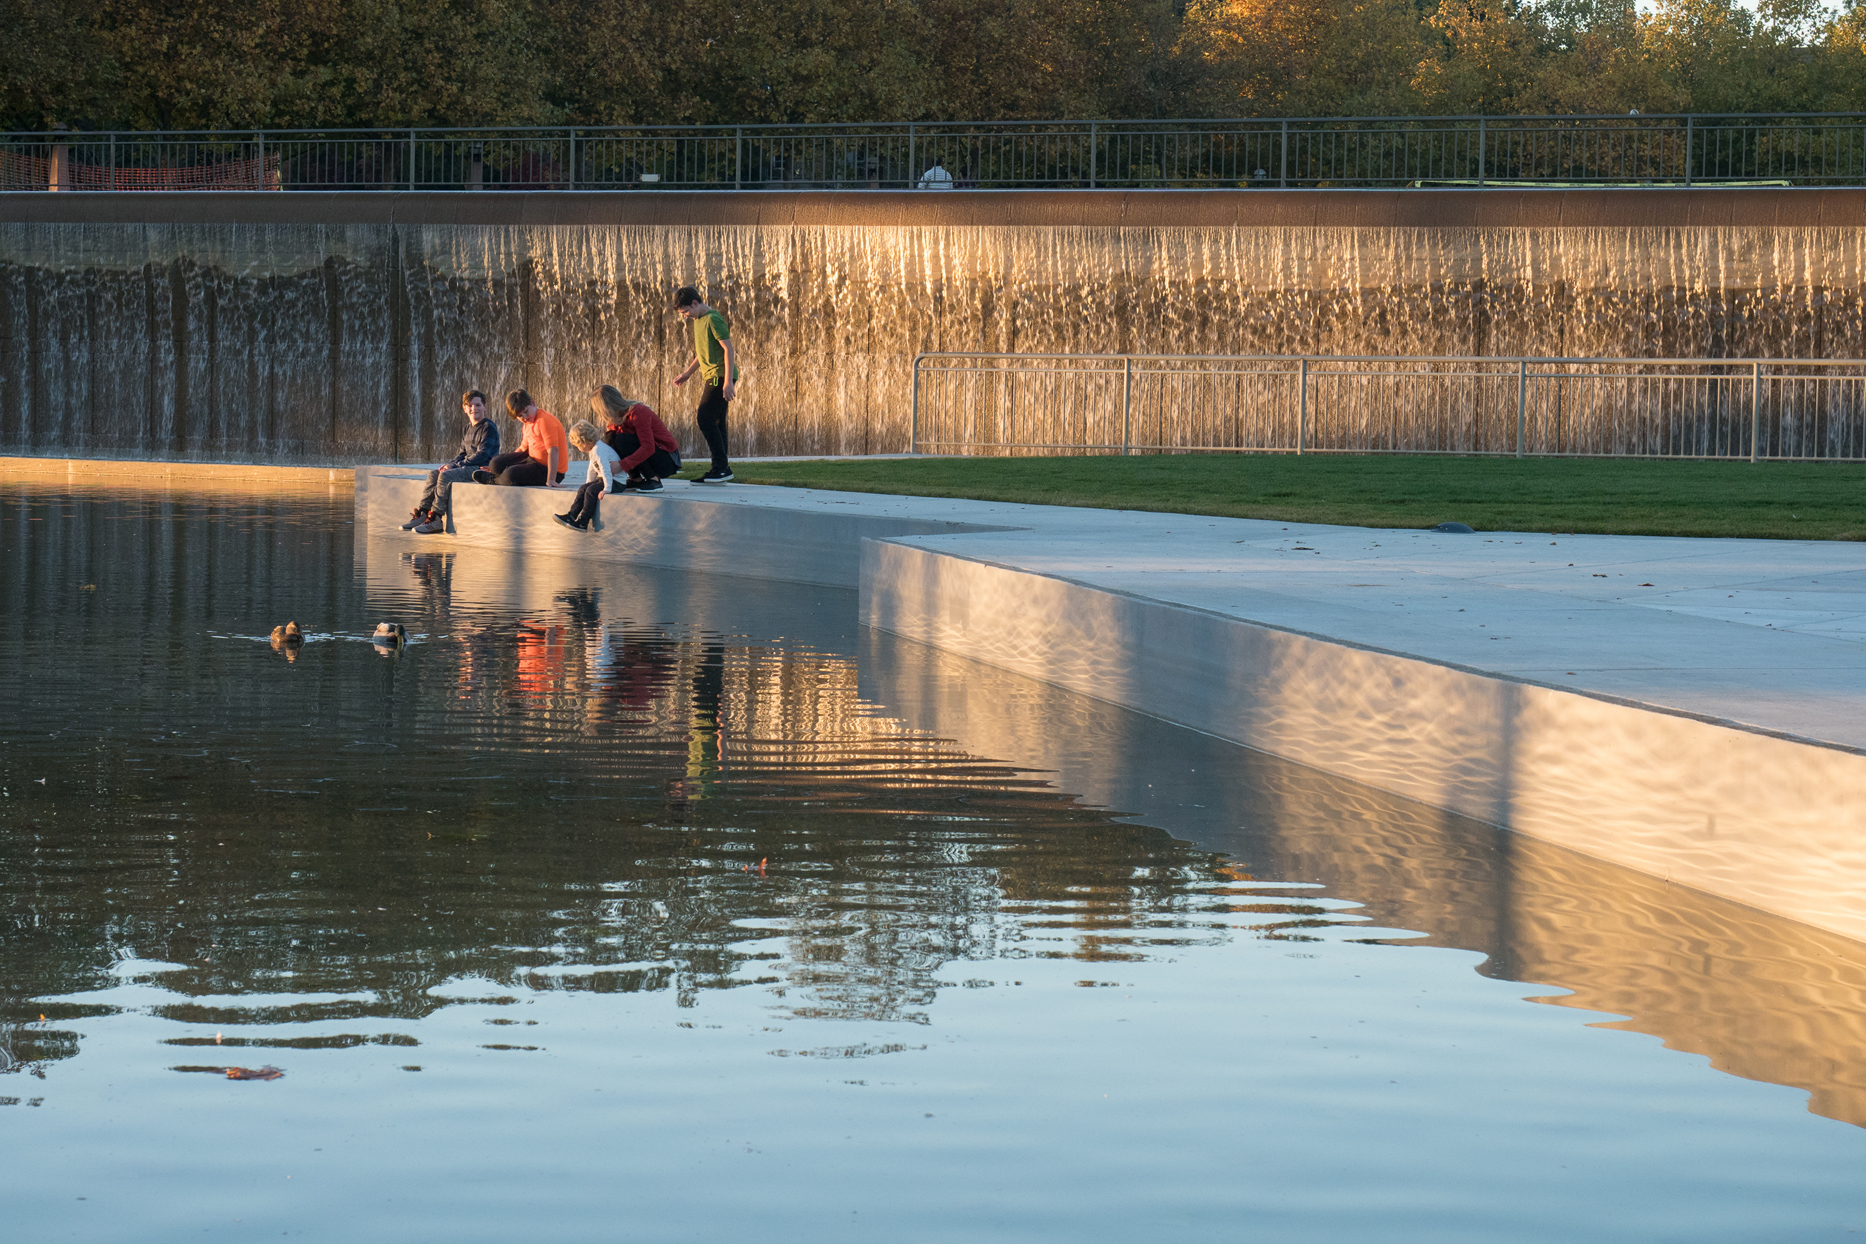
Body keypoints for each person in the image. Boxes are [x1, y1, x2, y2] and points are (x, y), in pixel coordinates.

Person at [403, 389, 499, 534]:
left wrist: (454, 466)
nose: (474, 409)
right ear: (465, 408)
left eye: (478, 405)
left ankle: (436, 518)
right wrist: (449, 464)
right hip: (468, 465)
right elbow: (462, 454)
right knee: (434, 473)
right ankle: (423, 513)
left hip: (481, 469)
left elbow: (482, 455)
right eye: (471, 406)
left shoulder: (488, 427)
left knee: (446, 476)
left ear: (485, 407)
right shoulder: (468, 428)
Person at [672, 287, 738, 483]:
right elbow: (702, 353)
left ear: (695, 303)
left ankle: (721, 467)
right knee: (717, 422)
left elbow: (728, 349)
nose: (685, 316)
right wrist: (687, 374)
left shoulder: (713, 319)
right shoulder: (698, 321)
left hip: (720, 375)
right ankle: (721, 468)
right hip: (712, 375)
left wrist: (728, 382)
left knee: (704, 417)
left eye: (685, 312)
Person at [591, 385, 681, 492]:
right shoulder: (616, 419)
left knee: (622, 440)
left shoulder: (638, 412)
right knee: (610, 438)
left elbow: (648, 447)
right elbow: (609, 445)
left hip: (667, 461)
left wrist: (622, 465)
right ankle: (636, 480)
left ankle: (654, 480)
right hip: (654, 456)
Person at [476, 389, 567, 488]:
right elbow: (522, 448)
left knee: (510, 474)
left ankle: (494, 480)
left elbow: (553, 450)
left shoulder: (544, 420)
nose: (524, 417)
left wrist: (551, 479)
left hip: (549, 470)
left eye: (526, 412)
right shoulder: (527, 424)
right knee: (495, 463)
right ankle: (499, 474)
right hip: (532, 460)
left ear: (532, 403)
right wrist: (506, 462)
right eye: (519, 416)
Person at [555, 419, 620, 531]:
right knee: (584, 488)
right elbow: (591, 470)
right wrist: (587, 485)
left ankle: (583, 522)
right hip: (604, 479)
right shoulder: (594, 450)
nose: (578, 449)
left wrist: (607, 488)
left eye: (577, 446)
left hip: (616, 482)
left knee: (591, 491)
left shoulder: (600, 450)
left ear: (584, 442)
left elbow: (606, 470)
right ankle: (571, 516)